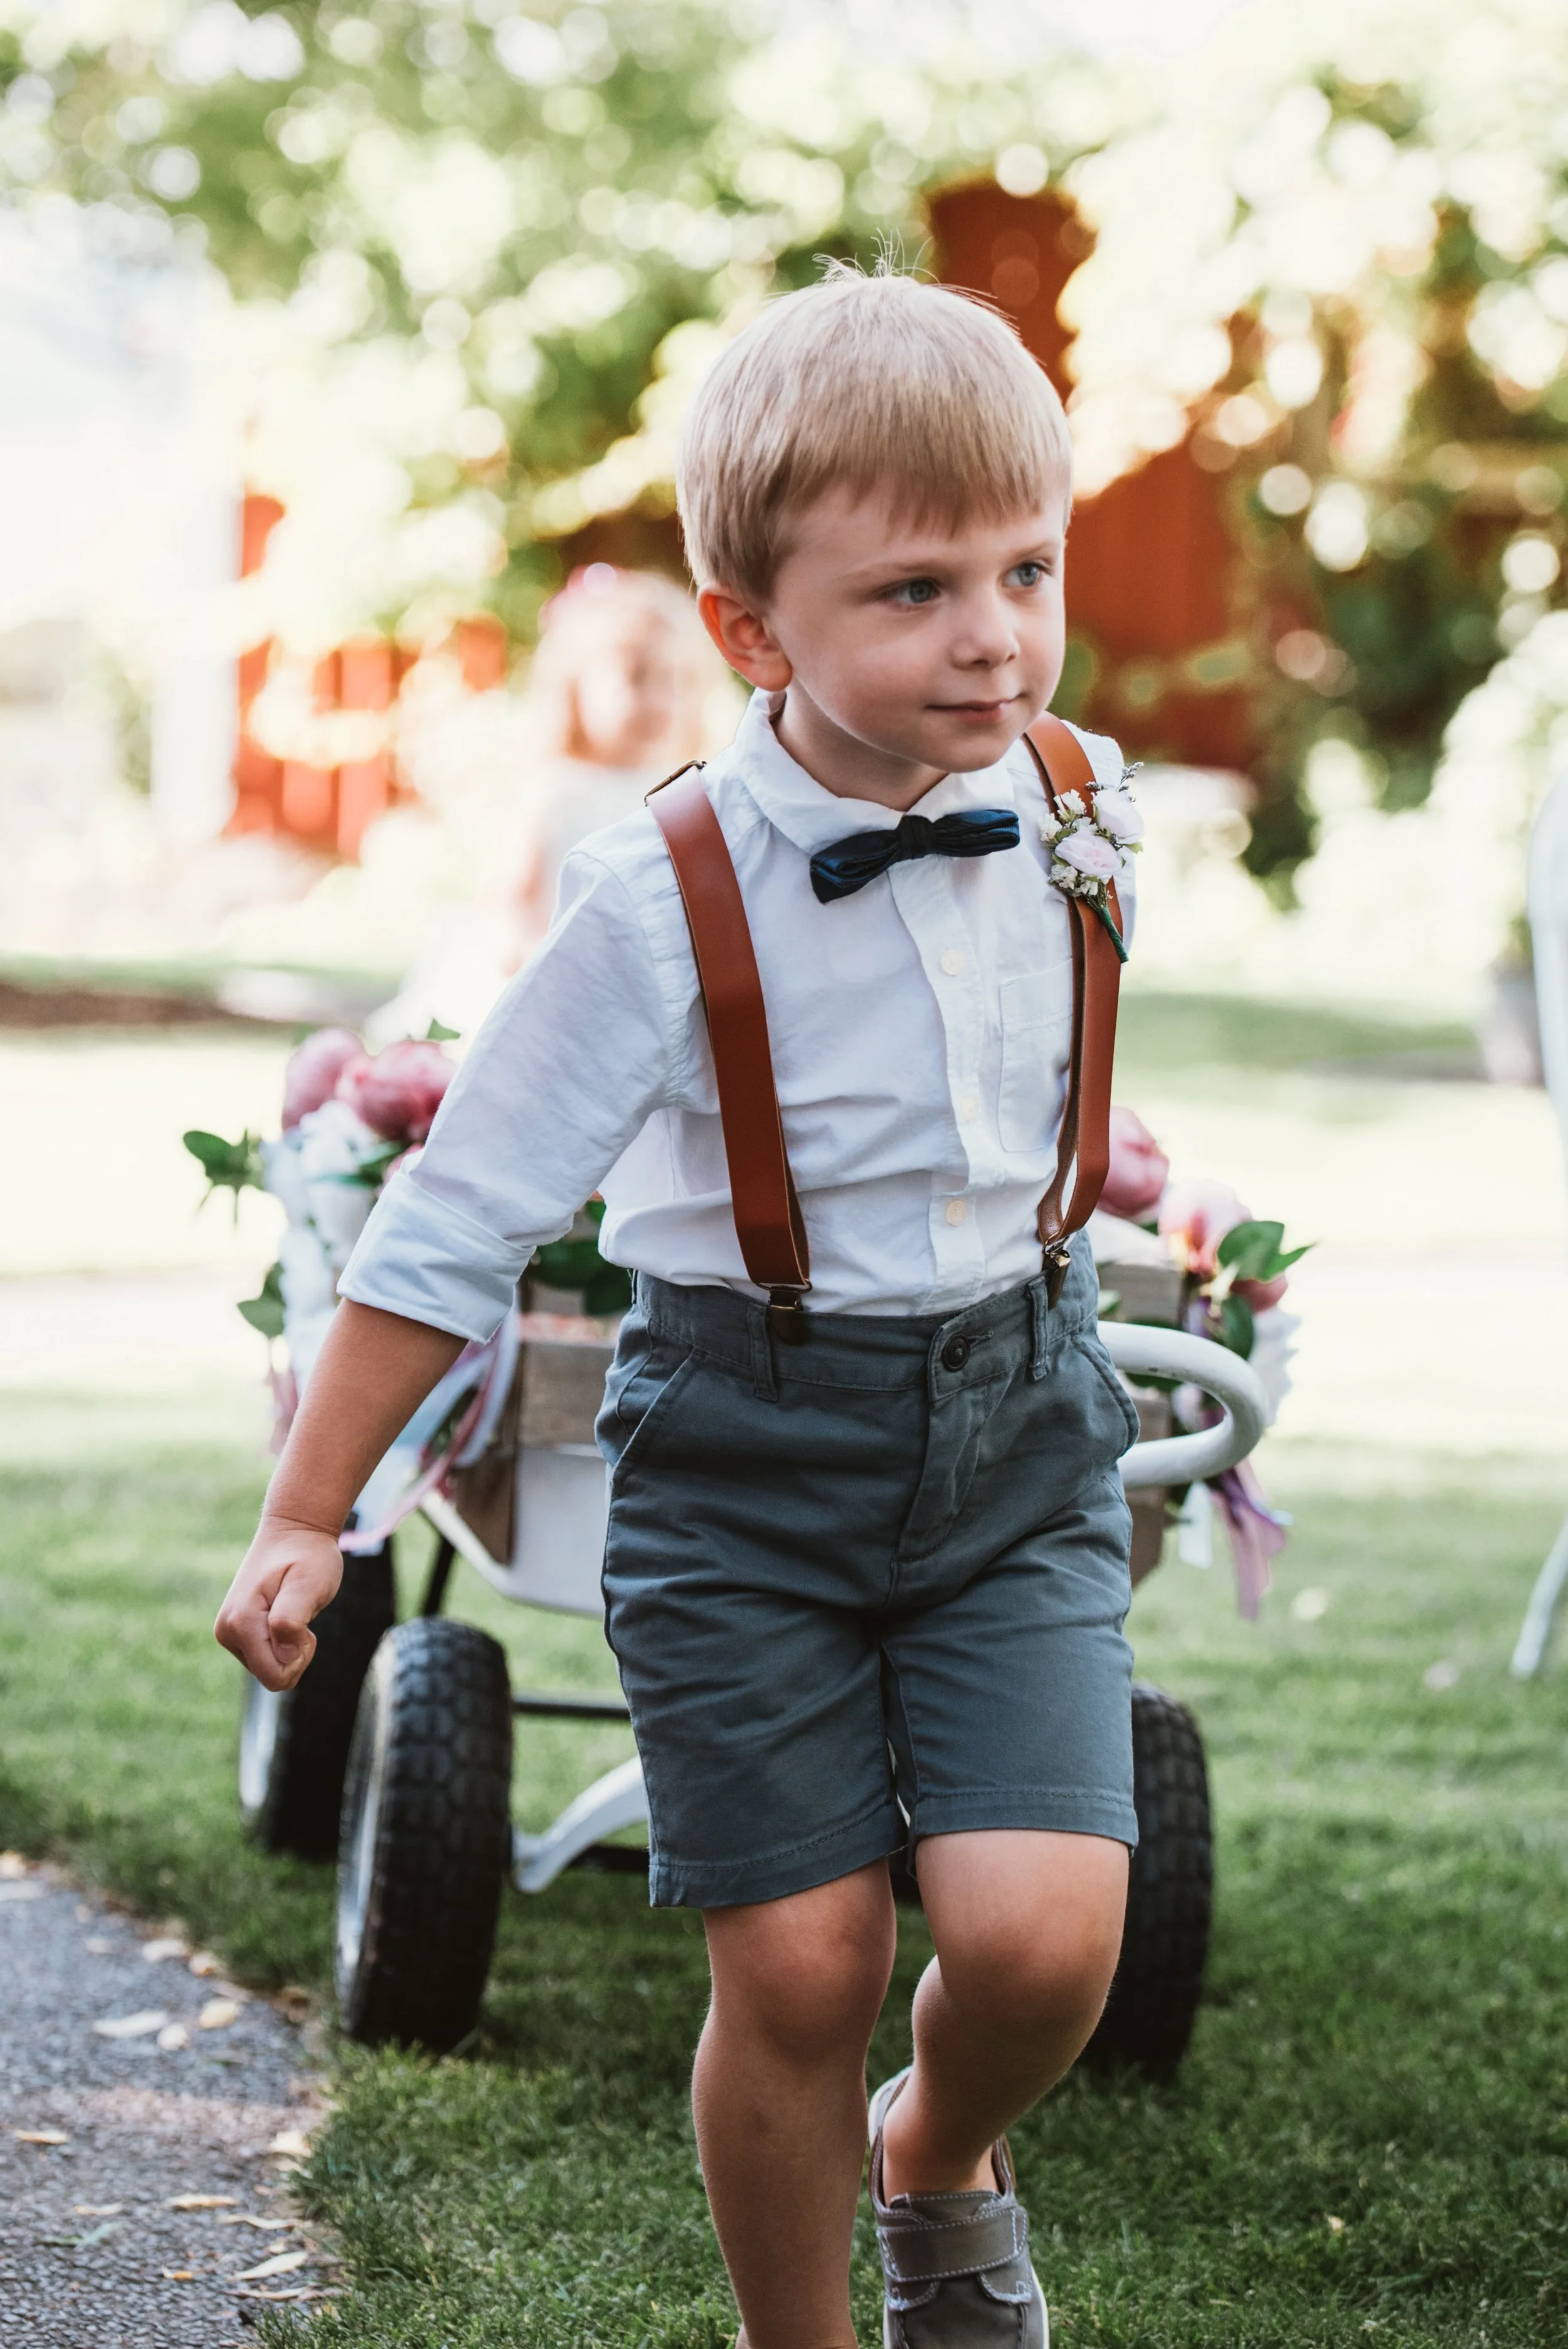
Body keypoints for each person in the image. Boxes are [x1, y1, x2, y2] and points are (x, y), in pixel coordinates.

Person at [216, 260, 1141, 2349]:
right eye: (914, 589)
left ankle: (939, 2146)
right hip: (745, 1463)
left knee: (1044, 1940)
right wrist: (310, 1508)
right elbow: (454, 1221)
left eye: (1026, 564)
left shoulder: (1085, 806)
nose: (992, 629)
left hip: (1020, 1426)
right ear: (753, 631)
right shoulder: (660, 896)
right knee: (800, 1959)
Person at [371, 563, 720, 1041]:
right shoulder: (556, 794)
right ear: (576, 687)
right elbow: (507, 907)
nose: (659, 699)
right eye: (636, 678)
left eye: (676, 680)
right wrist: (543, 963)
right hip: (551, 985)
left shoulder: (692, 791)